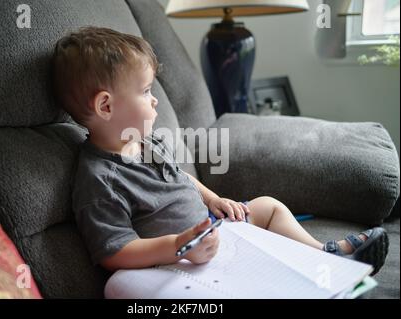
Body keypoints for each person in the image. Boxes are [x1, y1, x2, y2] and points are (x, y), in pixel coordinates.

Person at [51, 26, 389, 275]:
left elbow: (180, 178)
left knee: (268, 207)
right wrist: (179, 246)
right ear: (106, 106)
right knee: (122, 288)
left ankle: (326, 256)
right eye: (144, 91)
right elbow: (115, 251)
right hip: (179, 261)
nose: (154, 99)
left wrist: (213, 199)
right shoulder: (98, 180)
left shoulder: (145, 142)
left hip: (214, 229)